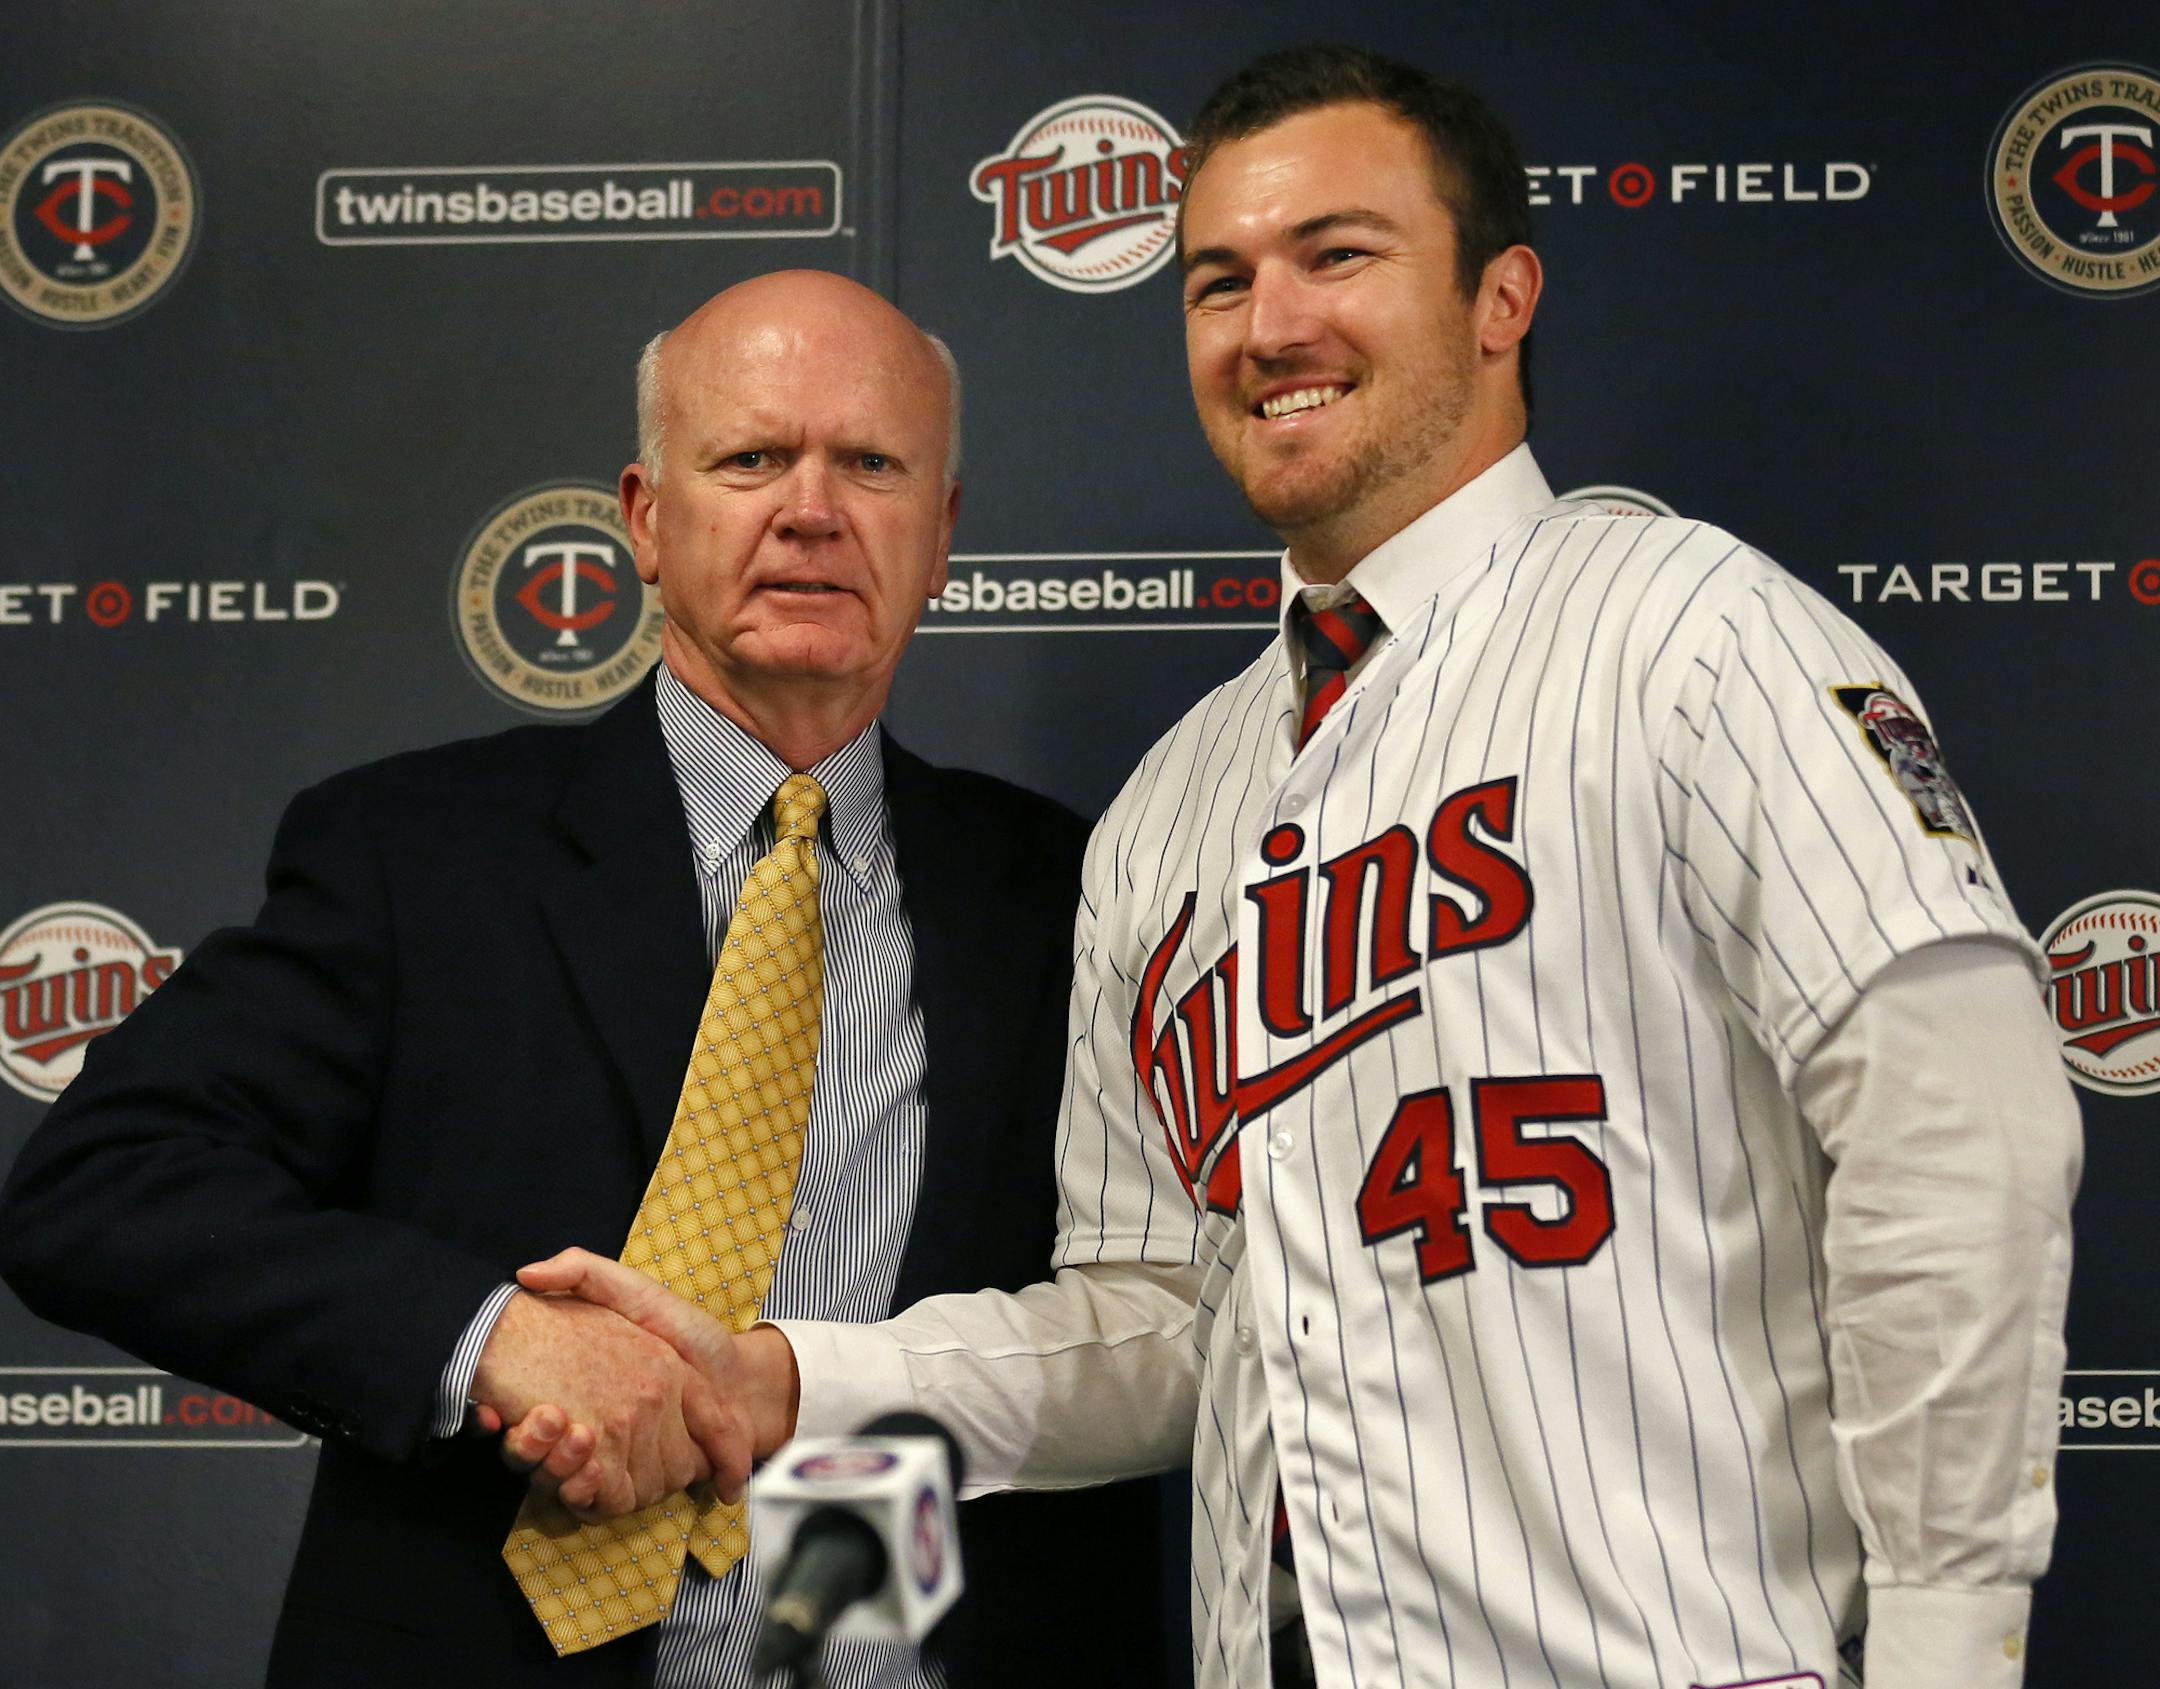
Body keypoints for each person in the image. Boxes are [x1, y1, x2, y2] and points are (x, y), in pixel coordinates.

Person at [500, 44, 2083, 1689]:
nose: (1271, 326)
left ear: (1500, 298)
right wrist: (790, 1382)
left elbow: (1952, 1129)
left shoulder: (1689, 634)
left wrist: (1951, 1644)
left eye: (1340, 254)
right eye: (1218, 280)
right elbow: (1157, 1322)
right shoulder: (1169, 811)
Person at [0, 270, 1168, 1689]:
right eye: (750, 458)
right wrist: (488, 1338)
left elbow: (1144, 1311)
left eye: (870, 462)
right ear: (645, 520)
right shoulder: (412, 855)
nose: (812, 507)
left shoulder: (1067, 885)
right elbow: (101, 1184)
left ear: (942, 534)